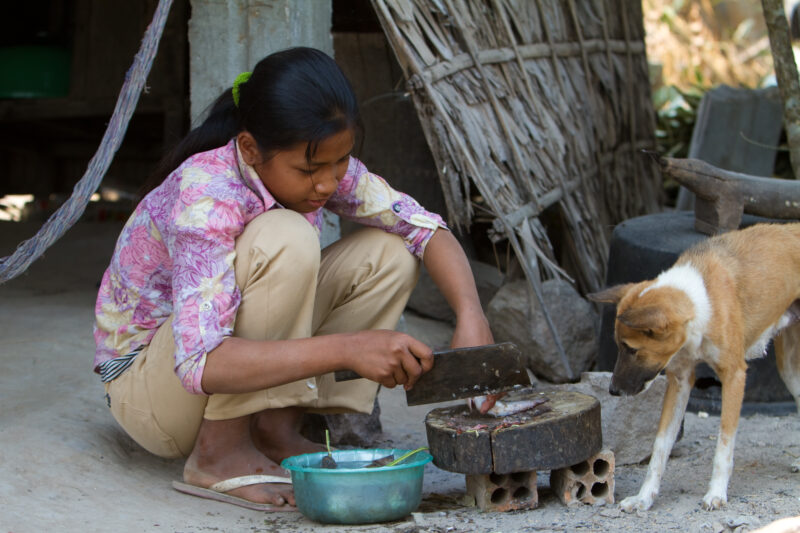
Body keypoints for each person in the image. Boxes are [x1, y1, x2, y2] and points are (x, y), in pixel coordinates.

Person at [93, 47, 493, 510]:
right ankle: (217, 453)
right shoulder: (207, 194)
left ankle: (275, 430)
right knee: (285, 238)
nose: (327, 184)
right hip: (150, 393)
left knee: (390, 254)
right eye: (309, 170)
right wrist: (349, 348)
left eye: (340, 162)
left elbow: (424, 229)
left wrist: (471, 316)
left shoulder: (320, 166)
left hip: (200, 370)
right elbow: (200, 363)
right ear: (249, 149)